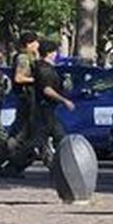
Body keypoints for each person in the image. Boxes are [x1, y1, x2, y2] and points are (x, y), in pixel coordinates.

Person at [23, 40, 74, 171]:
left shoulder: (46, 67)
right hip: (43, 110)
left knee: (55, 136)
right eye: (54, 52)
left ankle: (59, 164)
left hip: (48, 109)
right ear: (50, 53)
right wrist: (64, 100)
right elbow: (47, 89)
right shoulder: (43, 68)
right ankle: (14, 163)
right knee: (39, 140)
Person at [4, 32, 40, 176]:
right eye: (35, 42)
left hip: (30, 100)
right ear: (29, 44)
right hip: (25, 99)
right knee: (20, 134)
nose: (38, 45)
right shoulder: (23, 58)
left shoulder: (30, 57)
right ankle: (7, 158)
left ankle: (13, 166)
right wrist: (36, 80)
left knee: (25, 134)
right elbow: (18, 78)